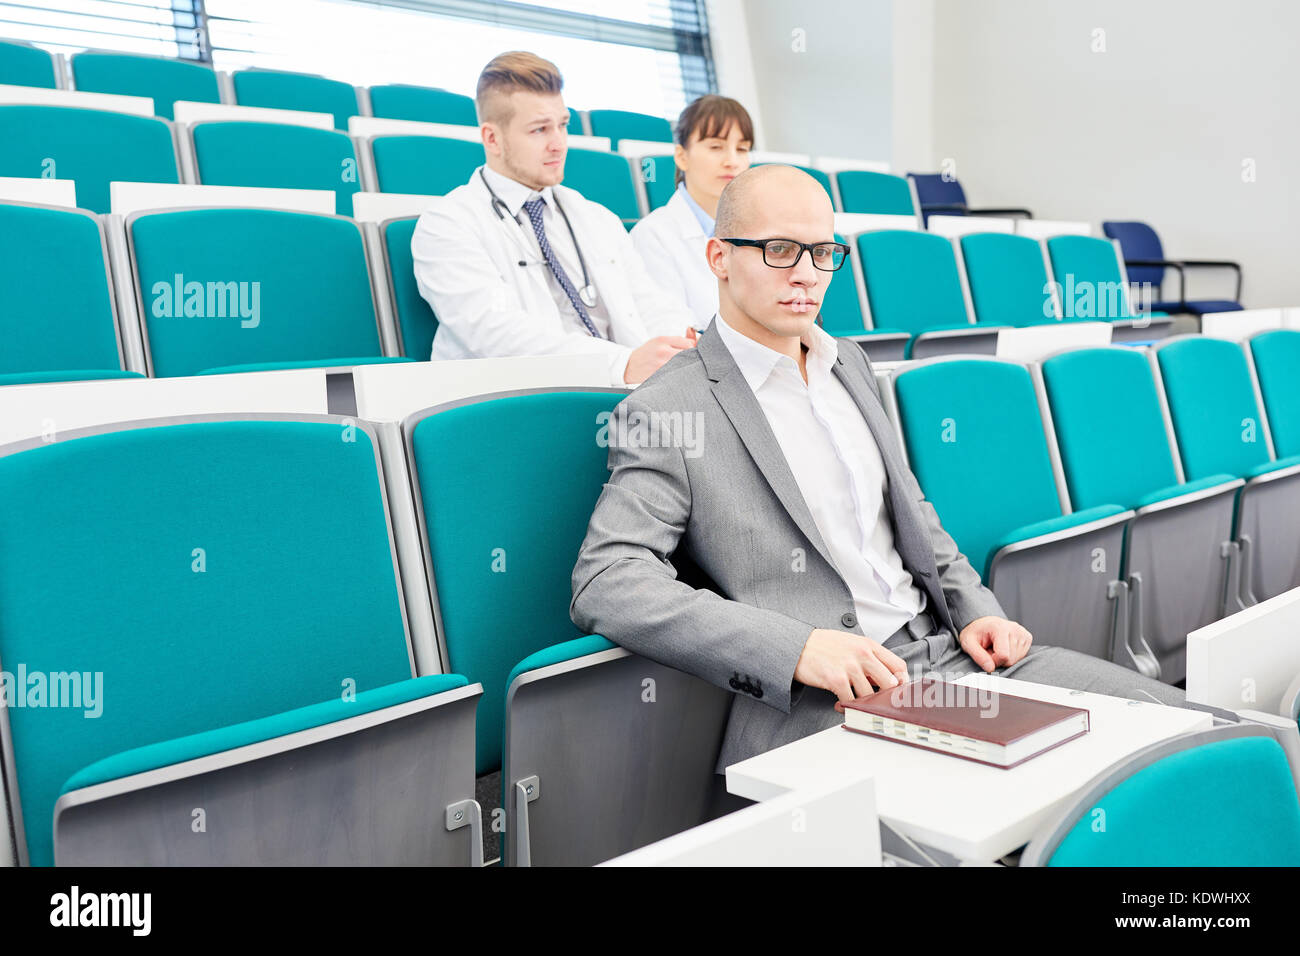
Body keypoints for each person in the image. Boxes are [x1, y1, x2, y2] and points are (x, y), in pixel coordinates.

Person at [570, 164, 1191, 776]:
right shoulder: (668, 407)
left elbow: (911, 513)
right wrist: (797, 649)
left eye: (822, 252)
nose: (806, 275)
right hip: (833, 701)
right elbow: (609, 580)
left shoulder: (851, 365)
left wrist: (975, 608)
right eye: (780, 250)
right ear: (719, 257)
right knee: (1044, 808)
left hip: (952, 655)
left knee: (1193, 739)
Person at [411, 51, 697, 386]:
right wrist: (622, 364)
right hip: (522, 403)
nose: (558, 144)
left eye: (562, 125)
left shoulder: (594, 216)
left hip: (625, 392)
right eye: (539, 130)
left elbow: (648, 299)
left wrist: (682, 345)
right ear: (492, 138)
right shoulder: (447, 224)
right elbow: (494, 334)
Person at [630, 94, 753, 324]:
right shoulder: (652, 236)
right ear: (682, 156)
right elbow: (672, 333)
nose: (732, 161)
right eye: (716, 146)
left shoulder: (757, 230)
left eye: (742, 149)